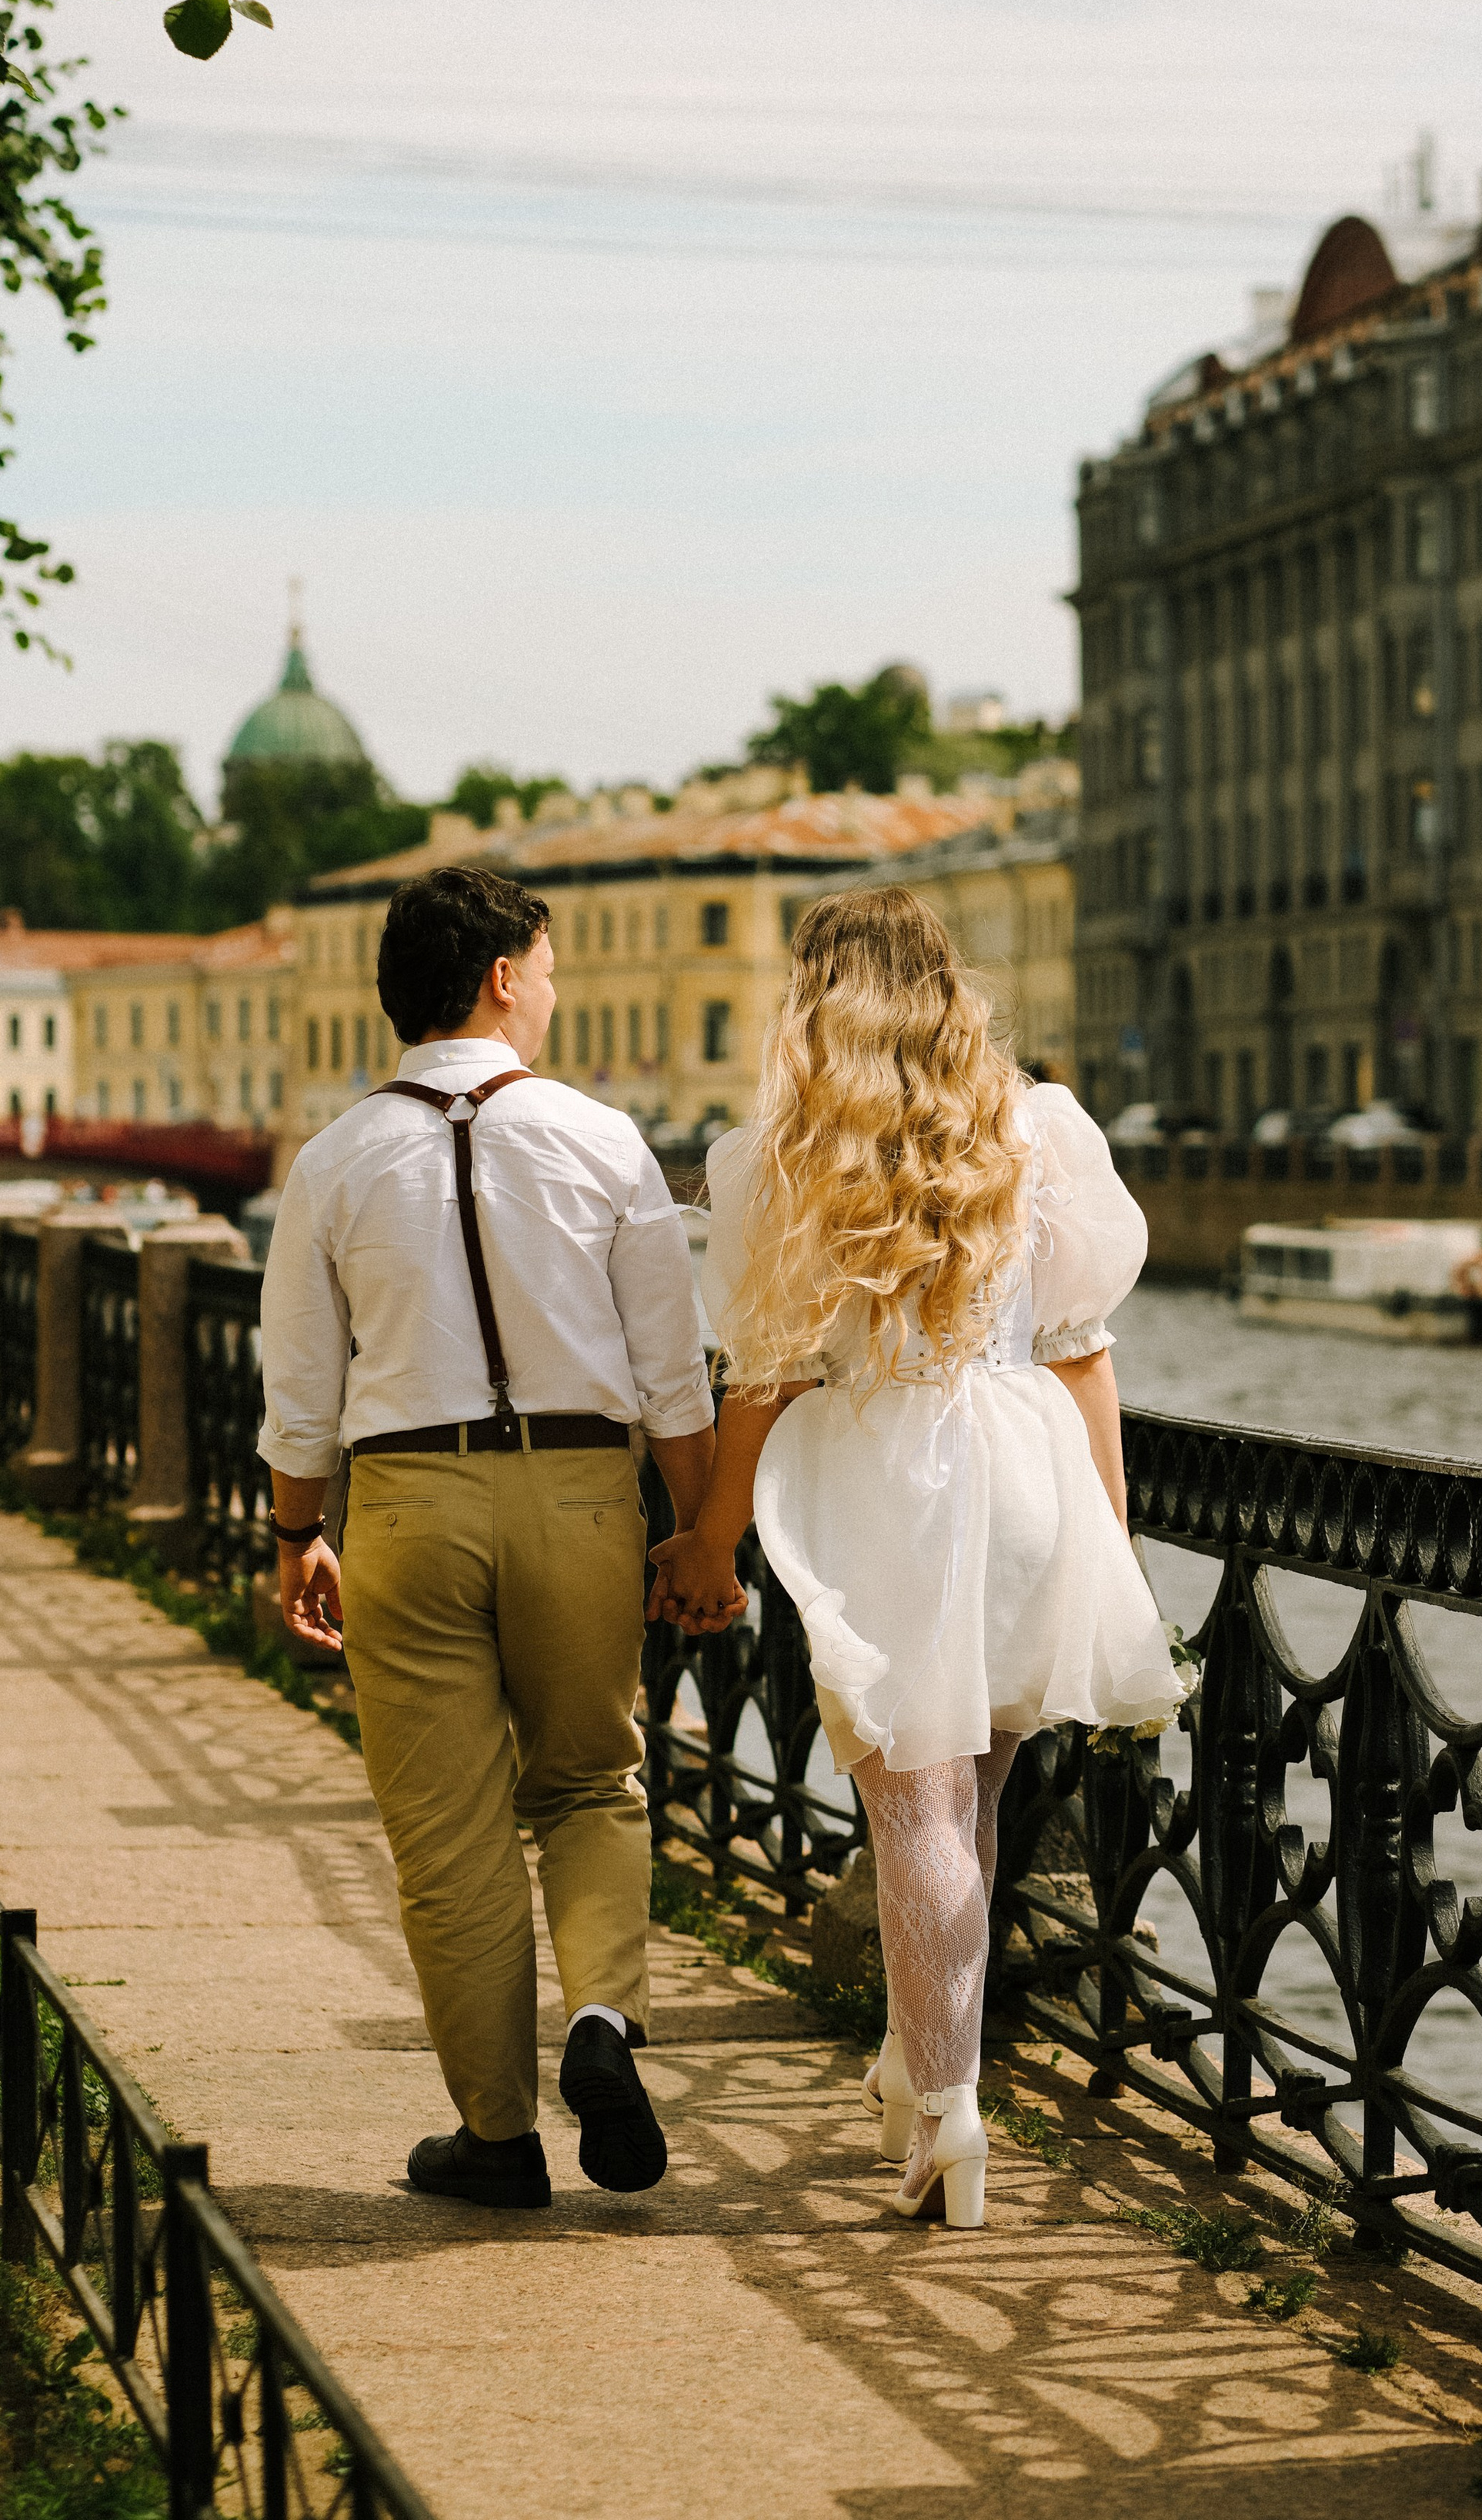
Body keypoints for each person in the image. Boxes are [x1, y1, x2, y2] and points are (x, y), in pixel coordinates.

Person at [646, 886, 1178, 2227]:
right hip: (1022, 1461)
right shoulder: (1033, 1128)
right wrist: (1108, 1543)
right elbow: (1083, 1351)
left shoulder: (777, 1156)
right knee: (973, 1798)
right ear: (949, 987)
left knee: (912, 1805)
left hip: (884, 1472)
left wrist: (711, 1539)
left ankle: (950, 2109)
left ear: (814, 997)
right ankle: (915, 2062)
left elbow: (759, 1378)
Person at [259, 866, 717, 2211]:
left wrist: (300, 1539)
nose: (558, 987)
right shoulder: (602, 1138)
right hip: (582, 1494)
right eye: (552, 964)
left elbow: (302, 1397)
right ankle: (601, 2023)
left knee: (448, 1836)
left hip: (405, 1503)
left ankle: (497, 2139)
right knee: (588, 1784)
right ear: (504, 976)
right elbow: (672, 1378)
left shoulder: (333, 1161)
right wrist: (698, 1535)